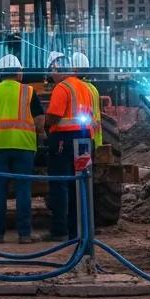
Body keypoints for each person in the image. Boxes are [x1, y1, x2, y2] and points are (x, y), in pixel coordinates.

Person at [0, 66, 45, 243]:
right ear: (19, 73)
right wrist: (40, 134)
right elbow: (39, 119)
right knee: (23, 189)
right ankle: (24, 234)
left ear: (0, 74)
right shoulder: (28, 91)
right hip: (24, 146)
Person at [44, 52, 97, 239]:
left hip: (62, 141)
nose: (51, 76)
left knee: (60, 185)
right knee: (81, 184)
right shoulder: (85, 88)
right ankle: (80, 229)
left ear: (57, 69)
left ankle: (59, 230)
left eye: (52, 71)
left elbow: (53, 116)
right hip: (84, 140)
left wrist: (45, 126)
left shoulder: (62, 88)